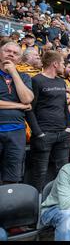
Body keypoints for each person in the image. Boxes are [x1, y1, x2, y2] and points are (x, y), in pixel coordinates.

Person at [27, 51, 70, 192]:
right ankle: (37, 208)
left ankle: (59, 204)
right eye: (63, 63)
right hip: (44, 134)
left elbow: (64, 107)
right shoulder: (36, 80)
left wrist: (68, 128)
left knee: (62, 173)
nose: (64, 66)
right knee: (39, 173)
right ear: (55, 64)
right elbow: (29, 109)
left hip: (62, 134)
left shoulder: (61, 81)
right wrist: (38, 133)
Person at [0, 42, 34, 184]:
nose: (11, 54)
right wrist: (19, 105)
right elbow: (24, 103)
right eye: (8, 51)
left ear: (20, 59)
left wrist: (14, 72)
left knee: (13, 176)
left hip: (16, 132)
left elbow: (27, 99)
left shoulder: (24, 77)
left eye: (15, 53)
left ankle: (8, 205)